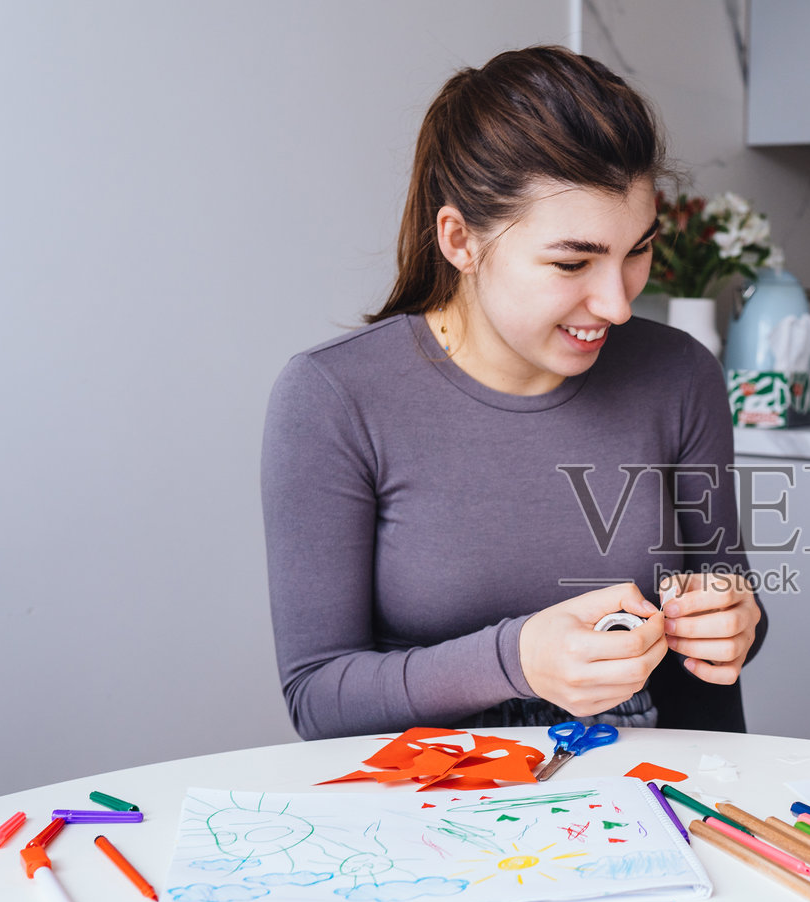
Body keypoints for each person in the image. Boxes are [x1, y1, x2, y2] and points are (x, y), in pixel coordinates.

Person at [261, 46, 765, 740]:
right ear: (461, 240)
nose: (618, 306)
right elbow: (319, 696)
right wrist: (516, 659)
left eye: (638, 250)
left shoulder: (681, 377)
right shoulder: (333, 398)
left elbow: (724, 633)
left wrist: (735, 624)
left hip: (642, 799)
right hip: (424, 813)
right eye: (572, 261)